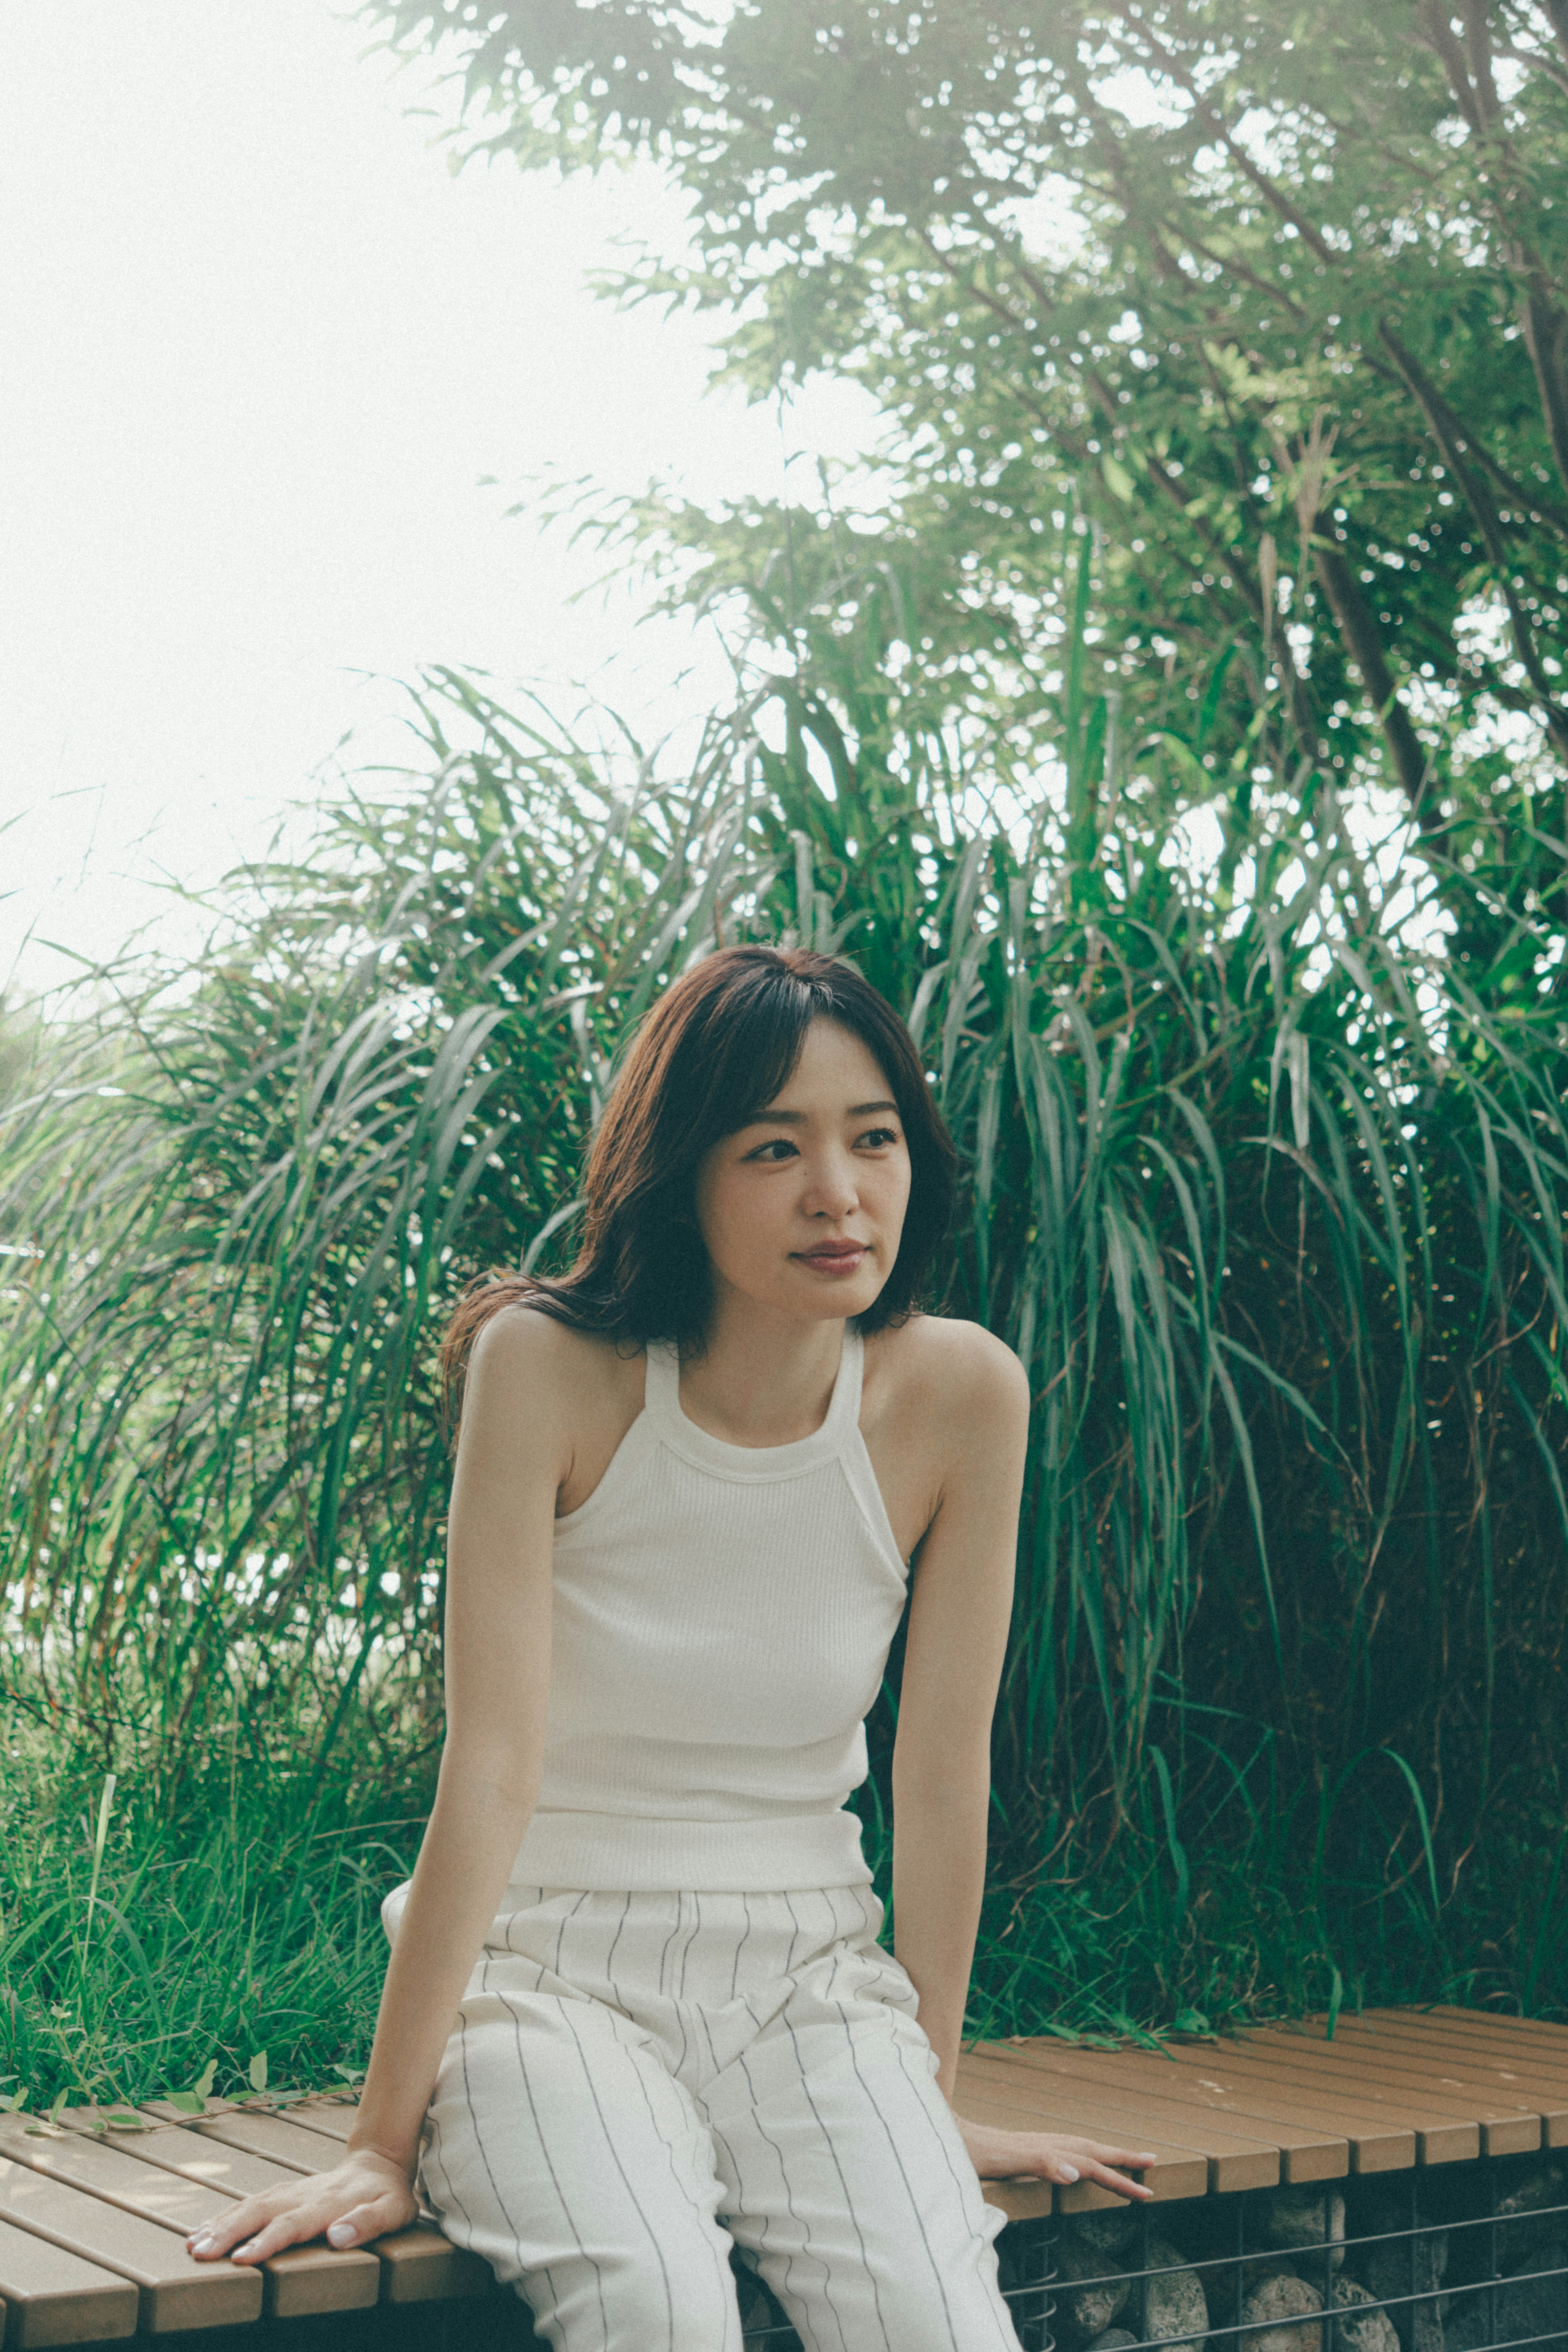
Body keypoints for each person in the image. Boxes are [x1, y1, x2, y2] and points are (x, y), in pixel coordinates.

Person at [189, 945, 1154, 2348]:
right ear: (680, 1171)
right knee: (656, 2308)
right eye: (777, 1147)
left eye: (873, 1138)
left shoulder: (962, 1392)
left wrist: (924, 2095)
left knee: (937, 2323)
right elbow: (493, 1768)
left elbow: (943, 1778)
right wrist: (380, 2146)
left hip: (814, 1984)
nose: (840, 1190)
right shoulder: (551, 1368)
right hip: (544, 1978)